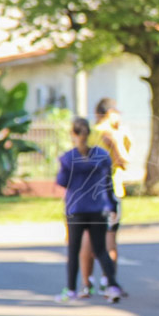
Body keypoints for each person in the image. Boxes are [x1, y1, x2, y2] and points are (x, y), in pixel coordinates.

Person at [56, 117, 124, 303]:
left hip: (76, 209)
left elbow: (62, 182)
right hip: (98, 207)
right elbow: (108, 182)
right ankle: (112, 285)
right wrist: (111, 204)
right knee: (101, 248)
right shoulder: (102, 156)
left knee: (74, 249)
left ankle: (71, 289)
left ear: (73, 134)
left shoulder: (69, 158)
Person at [81, 98, 130, 296]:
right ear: (110, 113)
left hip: (86, 193)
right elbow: (124, 161)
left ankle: (86, 283)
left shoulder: (89, 134)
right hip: (109, 192)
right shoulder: (109, 134)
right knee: (109, 237)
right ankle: (109, 281)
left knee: (87, 237)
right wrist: (124, 140)